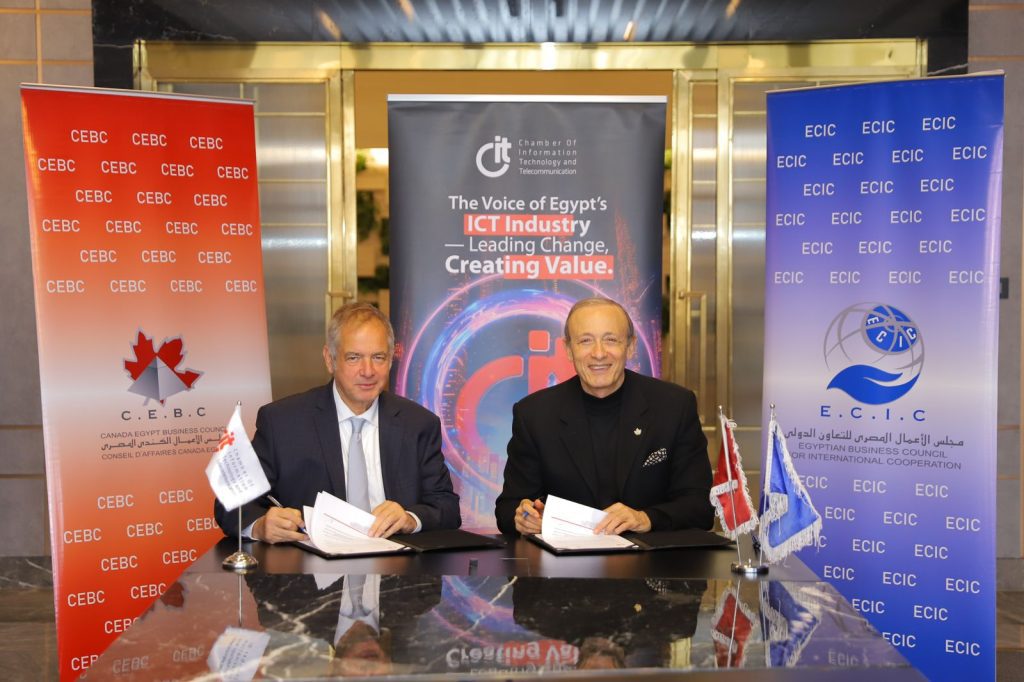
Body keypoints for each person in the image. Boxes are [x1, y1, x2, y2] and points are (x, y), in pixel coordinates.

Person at [214, 302, 460, 542]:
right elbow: (230, 504)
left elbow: (447, 507)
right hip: (309, 566)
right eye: (354, 358)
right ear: (329, 360)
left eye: (378, 357)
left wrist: (410, 518)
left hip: (398, 563)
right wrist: (260, 526)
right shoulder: (282, 423)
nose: (368, 371)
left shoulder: (418, 424)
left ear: (390, 360)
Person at [495, 297, 713, 536]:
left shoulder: (674, 406)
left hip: (651, 556)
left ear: (630, 346)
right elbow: (507, 509)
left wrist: (645, 518)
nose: (599, 353)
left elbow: (700, 508)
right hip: (566, 558)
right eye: (585, 341)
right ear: (568, 349)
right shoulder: (534, 414)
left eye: (610, 340)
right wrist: (524, 518)